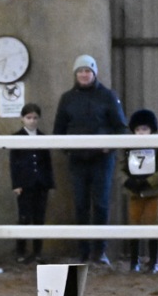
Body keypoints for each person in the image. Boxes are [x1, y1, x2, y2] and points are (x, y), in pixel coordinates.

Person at [52, 54, 128, 266]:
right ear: (75, 74)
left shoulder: (108, 96)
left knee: (101, 204)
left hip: (102, 160)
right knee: (80, 204)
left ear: (94, 73)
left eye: (88, 71)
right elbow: (58, 130)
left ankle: (99, 251)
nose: (84, 74)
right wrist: (68, 149)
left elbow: (121, 127)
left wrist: (109, 146)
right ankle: (83, 251)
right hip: (77, 160)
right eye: (80, 71)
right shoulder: (67, 99)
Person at [122, 108, 158, 273]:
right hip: (134, 192)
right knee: (133, 224)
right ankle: (134, 261)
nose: (141, 132)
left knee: (152, 224)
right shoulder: (127, 148)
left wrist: (149, 182)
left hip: (152, 192)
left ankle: (153, 261)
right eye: (138, 129)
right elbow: (120, 167)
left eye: (145, 129)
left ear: (151, 130)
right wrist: (128, 181)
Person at [9, 101, 54, 264]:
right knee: (24, 217)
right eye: (29, 118)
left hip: (40, 183)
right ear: (22, 119)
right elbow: (14, 163)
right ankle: (21, 251)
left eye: (35, 118)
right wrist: (16, 184)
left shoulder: (42, 137)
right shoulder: (16, 137)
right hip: (25, 183)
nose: (32, 121)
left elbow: (47, 162)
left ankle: (37, 251)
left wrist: (49, 182)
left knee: (39, 218)